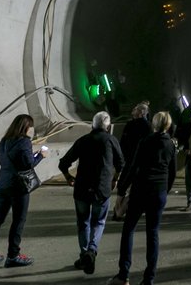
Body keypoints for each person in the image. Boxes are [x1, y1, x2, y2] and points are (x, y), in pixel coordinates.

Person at [108, 111, 177, 285]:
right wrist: (165, 190)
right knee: (152, 233)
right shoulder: (171, 145)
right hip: (158, 192)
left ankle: (123, 274)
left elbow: (133, 167)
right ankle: (149, 278)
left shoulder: (145, 141)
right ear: (168, 125)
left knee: (129, 229)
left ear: (154, 124)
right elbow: (173, 172)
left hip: (141, 189)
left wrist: (122, 189)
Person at [58, 111, 124, 275]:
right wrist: (115, 179)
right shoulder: (111, 140)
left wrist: (68, 177)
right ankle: (92, 251)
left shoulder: (83, 140)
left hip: (82, 189)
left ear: (92, 125)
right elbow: (121, 163)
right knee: (98, 222)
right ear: (108, 126)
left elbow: (63, 162)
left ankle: (84, 255)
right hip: (101, 189)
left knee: (83, 222)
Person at [0, 113, 47, 268]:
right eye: (31, 126)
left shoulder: (4, 141)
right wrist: (41, 155)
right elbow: (28, 164)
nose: (32, 129)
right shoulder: (25, 141)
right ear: (26, 127)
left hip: (3, 184)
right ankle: (13, 255)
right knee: (18, 221)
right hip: (18, 187)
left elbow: (8, 161)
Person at [120, 102, 151, 172]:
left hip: (130, 156)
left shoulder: (130, 124)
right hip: (142, 157)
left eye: (136, 109)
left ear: (141, 112)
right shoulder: (149, 125)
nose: (133, 109)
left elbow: (123, 140)